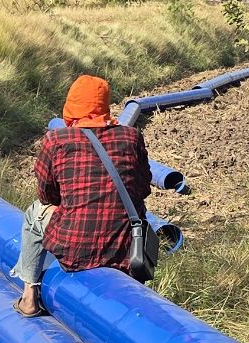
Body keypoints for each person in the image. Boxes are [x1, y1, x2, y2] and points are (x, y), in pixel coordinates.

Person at [15, 73, 153, 317]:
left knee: (34, 213)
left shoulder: (56, 140)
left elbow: (46, 194)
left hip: (74, 247)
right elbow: (143, 188)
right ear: (104, 106)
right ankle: (131, 300)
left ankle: (29, 297)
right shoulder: (131, 136)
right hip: (125, 248)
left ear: (71, 106)